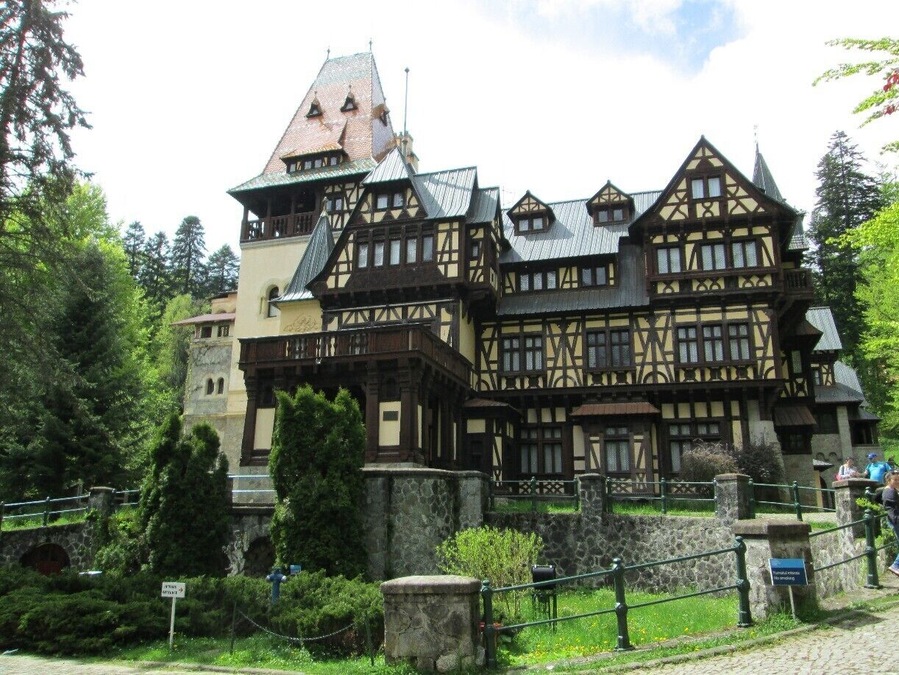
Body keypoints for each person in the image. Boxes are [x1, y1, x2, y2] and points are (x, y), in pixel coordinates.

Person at [882, 470, 899, 577]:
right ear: (888, 480)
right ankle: (896, 565)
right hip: (896, 520)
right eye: (895, 480)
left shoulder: (891, 490)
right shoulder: (890, 492)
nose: (898, 481)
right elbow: (893, 509)